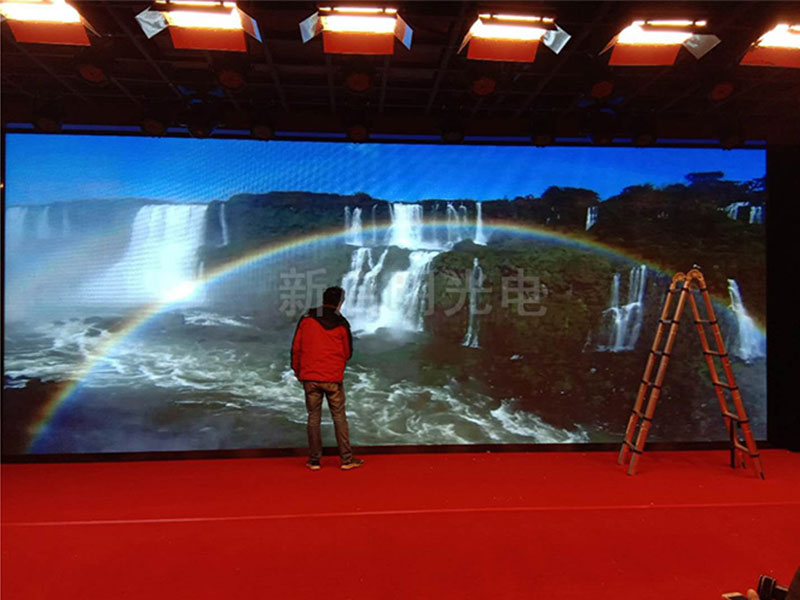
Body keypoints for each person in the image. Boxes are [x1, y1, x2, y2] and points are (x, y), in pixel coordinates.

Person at [291, 286, 364, 471]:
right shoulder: (342, 323)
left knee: (313, 417)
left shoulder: (307, 318)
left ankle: (314, 461)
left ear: (323, 299)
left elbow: (296, 348)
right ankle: (346, 460)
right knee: (339, 417)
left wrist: (298, 371)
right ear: (340, 302)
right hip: (332, 378)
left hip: (310, 377)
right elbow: (347, 353)